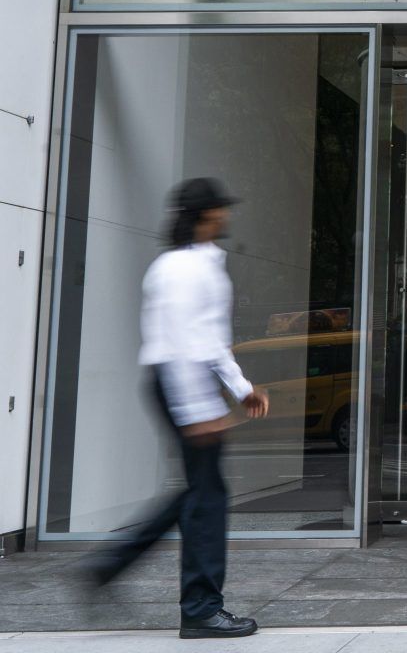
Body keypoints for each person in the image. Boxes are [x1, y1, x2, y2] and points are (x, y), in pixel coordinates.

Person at [87, 178, 270, 639]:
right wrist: (198, 409)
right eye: (221, 208)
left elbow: (209, 338)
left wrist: (240, 387)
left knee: (197, 491)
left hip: (179, 380)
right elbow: (184, 342)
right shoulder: (183, 270)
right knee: (207, 498)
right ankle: (201, 609)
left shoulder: (192, 263)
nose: (227, 215)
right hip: (178, 381)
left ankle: (110, 567)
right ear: (206, 215)